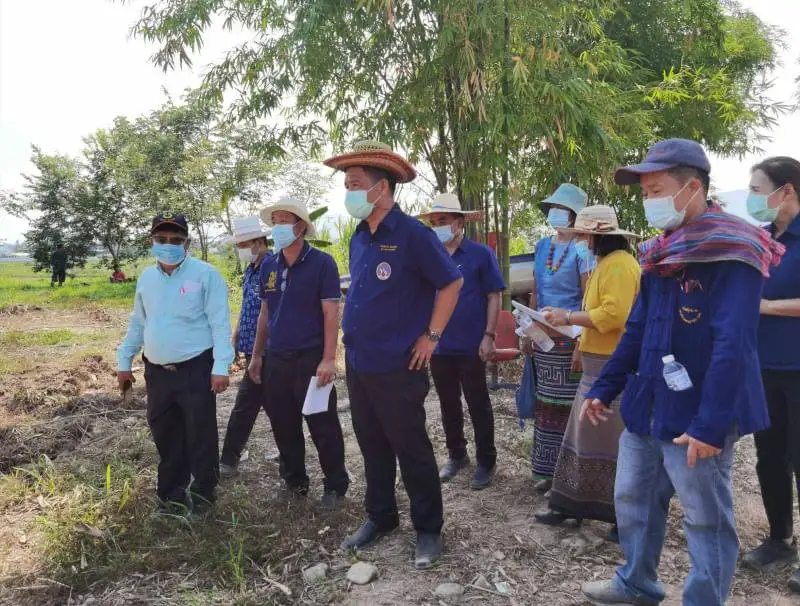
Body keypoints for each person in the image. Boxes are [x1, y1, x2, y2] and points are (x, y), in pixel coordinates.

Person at [579, 139, 784, 606]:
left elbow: (734, 343)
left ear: (693, 188)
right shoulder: (660, 253)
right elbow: (636, 328)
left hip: (698, 415)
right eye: (644, 193)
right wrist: (606, 387)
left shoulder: (734, 250)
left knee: (705, 517)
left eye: (656, 190)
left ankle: (705, 599)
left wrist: (710, 426)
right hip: (648, 402)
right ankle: (637, 582)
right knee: (632, 499)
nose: (648, 201)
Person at [323, 140, 463, 569]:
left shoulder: (413, 235)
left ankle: (428, 529)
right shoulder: (359, 237)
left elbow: (451, 283)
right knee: (371, 442)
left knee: (411, 446)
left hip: (399, 364)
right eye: (346, 185)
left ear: (381, 188)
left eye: (355, 184)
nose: (348, 192)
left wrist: (431, 337)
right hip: (360, 361)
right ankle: (381, 516)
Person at [533, 205, 641, 542]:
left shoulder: (620, 265)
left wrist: (567, 317)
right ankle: (570, 503)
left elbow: (614, 315)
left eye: (583, 236)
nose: (581, 242)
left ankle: (621, 515)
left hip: (611, 364)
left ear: (597, 237)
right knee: (581, 438)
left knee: (611, 443)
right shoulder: (606, 263)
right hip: (598, 363)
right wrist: (579, 337)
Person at [116, 214, 234, 515]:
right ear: (152, 241)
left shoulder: (205, 275)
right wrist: (124, 359)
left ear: (187, 243)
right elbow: (138, 323)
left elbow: (220, 324)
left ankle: (204, 495)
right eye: (161, 239)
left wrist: (221, 366)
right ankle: (171, 496)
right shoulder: (146, 278)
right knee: (165, 433)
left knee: (200, 434)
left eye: (175, 240)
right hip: (157, 372)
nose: (168, 245)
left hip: (195, 368)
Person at [247, 198, 349, 507]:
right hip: (277, 359)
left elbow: (331, 313)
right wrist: (257, 355)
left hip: (310, 359)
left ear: (300, 226)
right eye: (274, 221)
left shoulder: (322, 263)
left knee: (322, 425)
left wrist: (329, 359)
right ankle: (294, 481)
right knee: (283, 424)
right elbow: (265, 312)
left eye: (283, 220)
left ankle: (335, 485)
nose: (277, 227)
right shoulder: (269, 265)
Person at [741, 156, 800, 593]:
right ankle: (780, 539)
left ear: (787, 191)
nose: (752, 198)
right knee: (770, 456)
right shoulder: (761, 239)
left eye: (757, 190)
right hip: (763, 365)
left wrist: (765, 307)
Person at [418, 193, 505, 490]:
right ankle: (457, 455)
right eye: (433, 223)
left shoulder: (480, 255)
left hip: (472, 344)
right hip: (439, 345)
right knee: (448, 403)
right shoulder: (429, 257)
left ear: (459, 222)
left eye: (442, 221)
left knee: (478, 403)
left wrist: (489, 335)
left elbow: (494, 295)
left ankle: (486, 461)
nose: (438, 227)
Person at [525, 183, 590, 493]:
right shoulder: (541, 246)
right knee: (546, 406)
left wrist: (582, 341)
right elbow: (536, 291)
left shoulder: (583, 250)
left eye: (561, 209)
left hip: (569, 338)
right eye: (552, 208)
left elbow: (589, 297)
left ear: (574, 215)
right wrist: (528, 328)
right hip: (543, 339)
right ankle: (547, 472)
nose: (555, 213)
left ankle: (567, 478)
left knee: (566, 408)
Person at [219, 216, 274, 475]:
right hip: (252, 350)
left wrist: (259, 353)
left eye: (243, 245)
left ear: (259, 242)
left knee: (250, 405)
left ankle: (229, 459)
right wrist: (236, 336)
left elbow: (268, 311)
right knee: (252, 405)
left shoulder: (272, 267)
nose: (241, 250)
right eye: (238, 245)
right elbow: (247, 307)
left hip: (269, 351)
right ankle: (229, 459)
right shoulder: (251, 270)